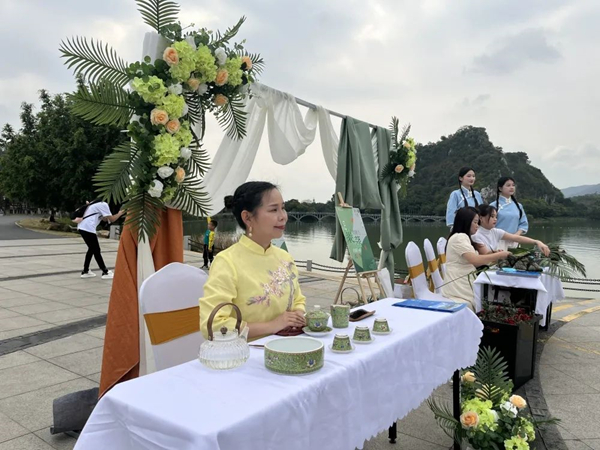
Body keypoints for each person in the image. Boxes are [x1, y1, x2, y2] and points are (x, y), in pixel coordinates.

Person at [199, 181, 306, 340]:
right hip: (247, 351)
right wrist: (273, 325)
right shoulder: (227, 262)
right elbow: (213, 325)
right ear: (247, 217)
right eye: (273, 209)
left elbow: (298, 299)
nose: (283, 216)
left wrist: (298, 314)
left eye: (283, 208)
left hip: (289, 345)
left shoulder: (284, 257)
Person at [441, 207, 510, 311]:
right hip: (459, 284)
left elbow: (476, 259)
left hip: (464, 280)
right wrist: (499, 255)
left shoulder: (463, 237)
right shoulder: (459, 238)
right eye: (475, 222)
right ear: (466, 222)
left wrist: (494, 253)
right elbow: (475, 260)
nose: (477, 226)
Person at [473, 204, 550, 256]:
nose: (495, 219)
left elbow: (516, 238)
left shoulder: (495, 231)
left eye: (496, 217)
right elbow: (486, 254)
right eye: (492, 216)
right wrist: (499, 254)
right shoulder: (476, 235)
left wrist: (536, 242)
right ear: (481, 218)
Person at [77, 200, 125, 279]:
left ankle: (85, 271)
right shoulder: (104, 204)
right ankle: (105, 271)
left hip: (82, 227)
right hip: (88, 228)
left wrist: (108, 216)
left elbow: (104, 219)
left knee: (91, 249)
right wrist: (120, 213)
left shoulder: (96, 204)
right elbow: (112, 219)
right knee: (96, 250)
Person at [490, 177, 528, 245]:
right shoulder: (493, 206)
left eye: (513, 185)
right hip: (497, 242)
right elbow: (488, 225)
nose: (511, 187)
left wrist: (516, 236)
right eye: (508, 185)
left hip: (514, 241)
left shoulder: (518, 206)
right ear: (500, 188)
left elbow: (523, 224)